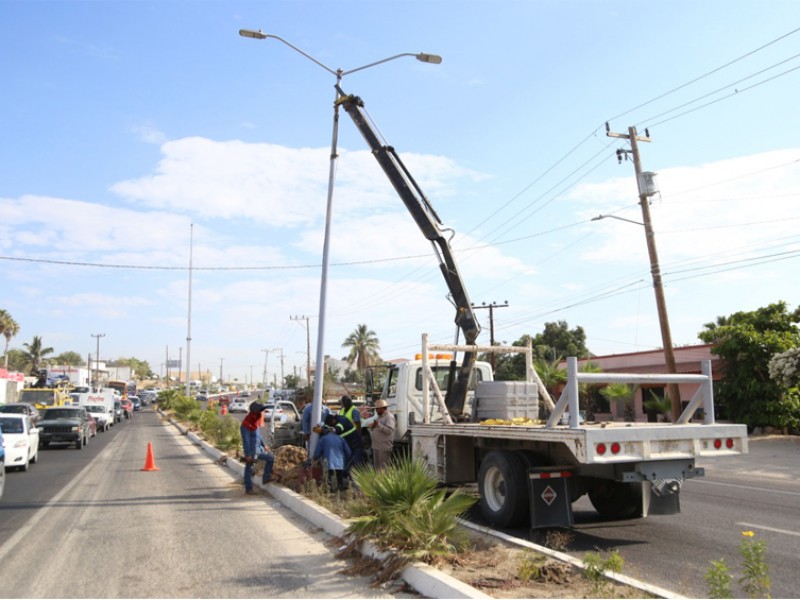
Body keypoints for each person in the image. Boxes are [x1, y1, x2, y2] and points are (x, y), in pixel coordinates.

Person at [240, 402, 275, 494]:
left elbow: (258, 435)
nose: (261, 413)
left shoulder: (255, 421)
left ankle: (266, 478)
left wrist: (264, 445)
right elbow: (246, 441)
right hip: (252, 451)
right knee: (249, 468)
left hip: (259, 449)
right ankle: (249, 489)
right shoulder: (246, 425)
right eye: (259, 411)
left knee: (271, 458)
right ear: (254, 412)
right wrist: (248, 455)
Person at [312, 423, 351, 493]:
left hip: (328, 464)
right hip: (340, 464)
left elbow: (317, 453)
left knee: (328, 481)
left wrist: (314, 459)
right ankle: (340, 493)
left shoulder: (323, 439)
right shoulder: (341, 439)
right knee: (340, 481)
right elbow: (348, 452)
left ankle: (329, 492)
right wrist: (345, 461)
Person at [337, 395, 364, 468]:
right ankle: (347, 475)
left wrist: (358, 437)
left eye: (342, 403)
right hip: (344, 438)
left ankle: (356, 476)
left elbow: (358, 425)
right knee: (346, 457)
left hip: (353, 438)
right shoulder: (342, 410)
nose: (341, 404)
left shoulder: (354, 410)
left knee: (355, 459)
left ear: (345, 403)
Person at [369, 399, 396, 470]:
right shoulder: (379, 417)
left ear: (382, 408)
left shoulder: (389, 417)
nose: (376, 410)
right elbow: (378, 428)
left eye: (377, 409)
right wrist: (373, 427)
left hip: (384, 447)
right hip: (376, 446)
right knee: (377, 468)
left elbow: (390, 431)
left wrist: (378, 425)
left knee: (383, 469)